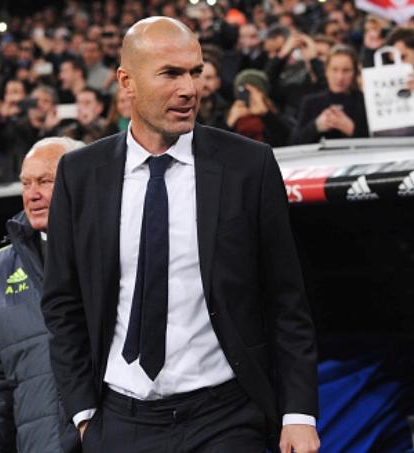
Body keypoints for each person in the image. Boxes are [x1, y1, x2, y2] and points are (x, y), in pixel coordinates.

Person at [41, 17, 319, 453]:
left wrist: (298, 413)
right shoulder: (80, 174)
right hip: (119, 423)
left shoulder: (249, 166)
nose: (189, 89)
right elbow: (62, 301)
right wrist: (83, 414)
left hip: (227, 416)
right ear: (127, 82)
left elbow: (286, 299)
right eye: (170, 74)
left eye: (195, 72)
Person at [0, 136, 85, 453]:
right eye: (26, 183)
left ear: (81, 182)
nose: (32, 194)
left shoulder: (115, 251)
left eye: (45, 181)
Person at [290, 44, 368, 144]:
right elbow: (293, 142)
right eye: (334, 70)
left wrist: (351, 129)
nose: (340, 77)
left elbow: (379, 139)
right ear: (326, 71)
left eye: (346, 70)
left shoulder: (365, 102)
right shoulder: (310, 102)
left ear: (354, 72)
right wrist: (316, 126)